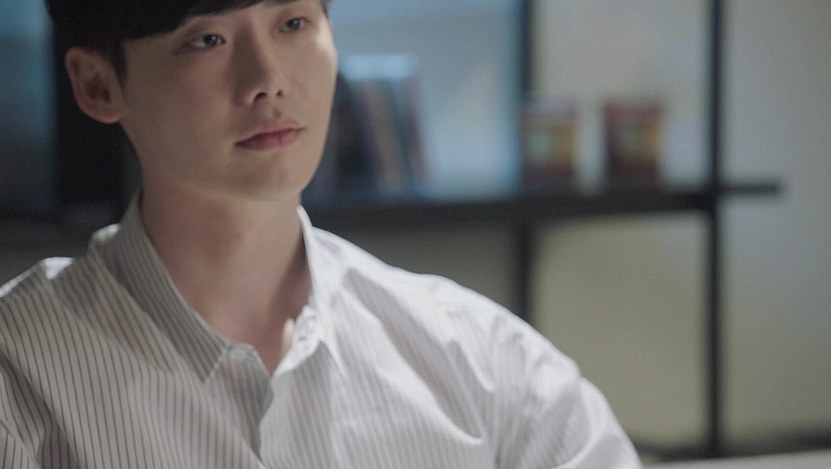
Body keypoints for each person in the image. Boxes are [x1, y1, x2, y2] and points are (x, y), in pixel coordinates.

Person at [0, 0, 642, 467]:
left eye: (293, 24)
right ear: (97, 84)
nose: (268, 79)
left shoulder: (487, 366)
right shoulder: (20, 375)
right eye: (207, 39)